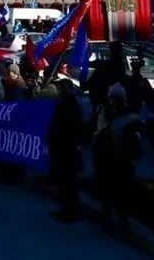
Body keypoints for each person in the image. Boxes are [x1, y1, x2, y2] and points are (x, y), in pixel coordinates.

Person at [92, 83, 143, 231]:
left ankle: (119, 220)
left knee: (121, 192)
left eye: (116, 98)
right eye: (112, 98)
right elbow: (99, 132)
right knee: (111, 192)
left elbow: (136, 138)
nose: (113, 101)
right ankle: (109, 220)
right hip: (109, 157)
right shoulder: (107, 112)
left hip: (121, 159)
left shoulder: (129, 115)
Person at [47, 79, 84, 223]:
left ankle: (71, 212)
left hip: (67, 149)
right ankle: (64, 208)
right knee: (62, 181)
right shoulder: (63, 104)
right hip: (60, 148)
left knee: (69, 182)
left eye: (61, 88)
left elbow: (69, 128)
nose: (59, 91)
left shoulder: (71, 105)